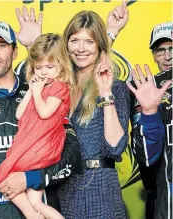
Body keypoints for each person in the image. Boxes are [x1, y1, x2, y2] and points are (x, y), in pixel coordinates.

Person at [0, 21, 82, 219]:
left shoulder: (44, 91)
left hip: (39, 210)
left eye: (2, 45)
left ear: (15, 52)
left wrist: (31, 178)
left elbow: (73, 156)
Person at [56, 11, 130, 218]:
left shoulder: (114, 87)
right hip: (63, 187)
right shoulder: (60, 86)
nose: (80, 49)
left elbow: (115, 148)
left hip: (100, 187)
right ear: (66, 44)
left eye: (89, 41)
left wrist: (106, 94)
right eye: (74, 40)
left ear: (99, 46)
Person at [0, 33, 73, 219]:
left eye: (50, 67)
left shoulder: (59, 87)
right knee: (35, 200)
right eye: (39, 67)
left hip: (42, 145)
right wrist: (31, 90)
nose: (43, 72)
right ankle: (35, 214)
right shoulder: (39, 87)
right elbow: (19, 114)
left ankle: (31, 216)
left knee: (3, 176)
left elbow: (45, 113)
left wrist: (37, 92)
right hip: (31, 142)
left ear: (61, 65)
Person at [127, 22, 172, 219]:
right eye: (161, 51)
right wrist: (150, 111)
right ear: (153, 55)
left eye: (172, 49)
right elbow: (144, 155)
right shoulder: (147, 89)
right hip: (164, 195)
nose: (168, 57)